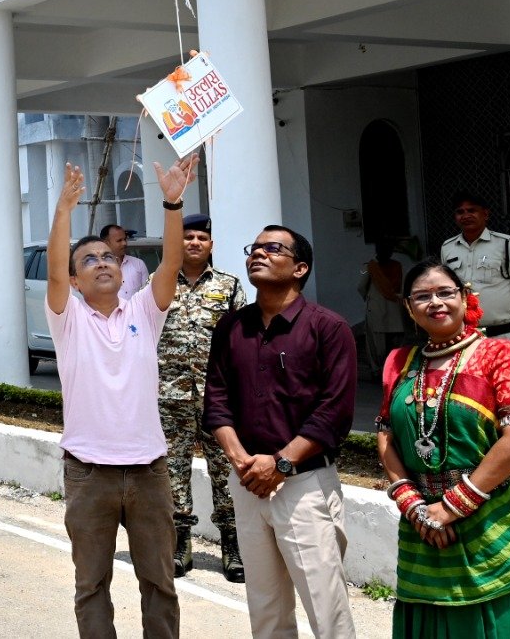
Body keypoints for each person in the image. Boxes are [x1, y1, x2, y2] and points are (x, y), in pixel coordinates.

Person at [377, 259, 510, 637]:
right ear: (408, 308)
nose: (435, 303)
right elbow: (386, 436)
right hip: (427, 521)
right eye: (421, 296)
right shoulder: (400, 363)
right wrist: (416, 507)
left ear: (465, 297)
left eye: (445, 292)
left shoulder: (498, 355)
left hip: (503, 513)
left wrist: (452, 508)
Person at [46, 150, 201, 639]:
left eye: (109, 257)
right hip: (89, 472)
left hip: (150, 470)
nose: (102, 264)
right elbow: (52, 274)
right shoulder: (67, 319)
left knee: (160, 582)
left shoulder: (143, 312)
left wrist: (172, 204)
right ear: (75, 281)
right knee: (92, 584)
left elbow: (172, 263)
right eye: (89, 260)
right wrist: (64, 212)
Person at [204, 225, 358, 638]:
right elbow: (216, 401)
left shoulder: (329, 328)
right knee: (266, 609)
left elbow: (334, 412)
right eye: (253, 248)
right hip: (248, 481)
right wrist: (241, 460)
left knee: (327, 611)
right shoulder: (231, 328)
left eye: (272, 248)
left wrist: (282, 462)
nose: (258, 254)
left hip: (305, 486)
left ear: (300, 267)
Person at [157, 212, 246, 583]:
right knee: (171, 472)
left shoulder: (228, 286)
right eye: (187, 236)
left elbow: (245, 340)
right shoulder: (158, 284)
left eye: (201, 238)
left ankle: (233, 546)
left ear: (211, 245)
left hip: (219, 399)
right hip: (170, 396)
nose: (194, 242)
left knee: (225, 471)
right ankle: (180, 545)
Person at [440, 192, 510, 347]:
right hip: (461, 338)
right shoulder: (447, 247)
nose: (466, 215)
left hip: (500, 337)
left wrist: (498, 309)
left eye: (472, 210)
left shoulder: (506, 244)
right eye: (460, 212)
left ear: (485, 214)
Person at [357, 238, 406, 381]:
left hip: (376, 310)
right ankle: (393, 369)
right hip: (395, 310)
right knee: (395, 343)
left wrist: (369, 298)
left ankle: (377, 370)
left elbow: (360, 287)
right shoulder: (398, 266)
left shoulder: (368, 267)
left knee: (375, 344)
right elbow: (401, 286)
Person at [101, 223, 149, 300]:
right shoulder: (98, 268)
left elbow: (147, 296)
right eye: (119, 240)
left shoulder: (138, 264)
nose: (124, 243)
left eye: (125, 239)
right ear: (106, 243)